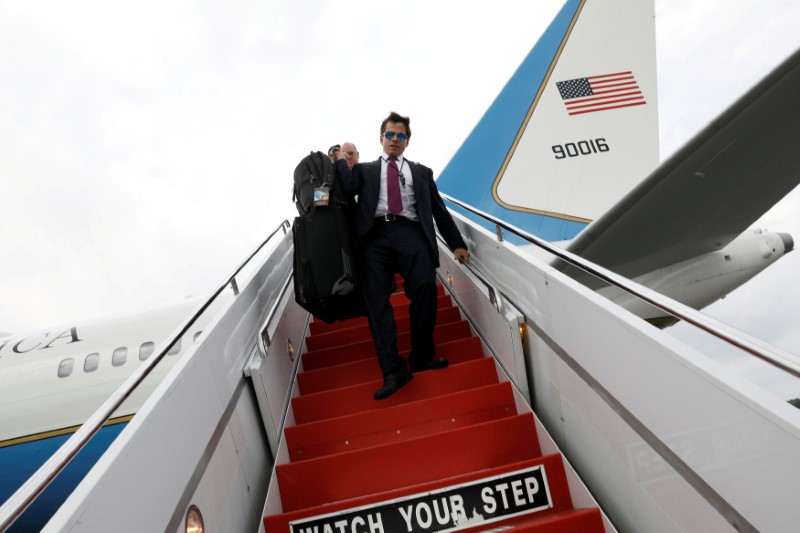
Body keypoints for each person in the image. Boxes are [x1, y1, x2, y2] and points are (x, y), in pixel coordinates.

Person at [335, 112, 470, 400]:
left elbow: (438, 211)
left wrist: (457, 243)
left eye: (401, 136)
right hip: (374, 237)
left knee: (424, 287)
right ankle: (393, 370)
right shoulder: (366, 171)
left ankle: (421, 356)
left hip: (411, 232)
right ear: (381, 138)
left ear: (407, 141)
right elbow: (346, 188)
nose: (395, 140)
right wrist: (338, 162)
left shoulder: (421, 172)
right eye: (390, 135)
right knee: (376, 301)